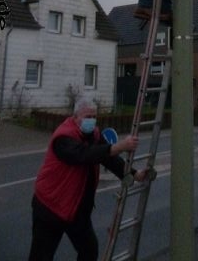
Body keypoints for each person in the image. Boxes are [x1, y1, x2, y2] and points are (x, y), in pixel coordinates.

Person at [28, 99, 147, 261]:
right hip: (51, 207)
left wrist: (134, 174)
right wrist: (119, 146)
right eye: (87, 117)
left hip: (77, 209)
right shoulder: (63, 136)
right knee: (41, 255)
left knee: (89, 250)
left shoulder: (94, 134)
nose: (91, 120)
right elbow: (83, 155)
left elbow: (109, 159)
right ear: (75, 117)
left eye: (94, 117)